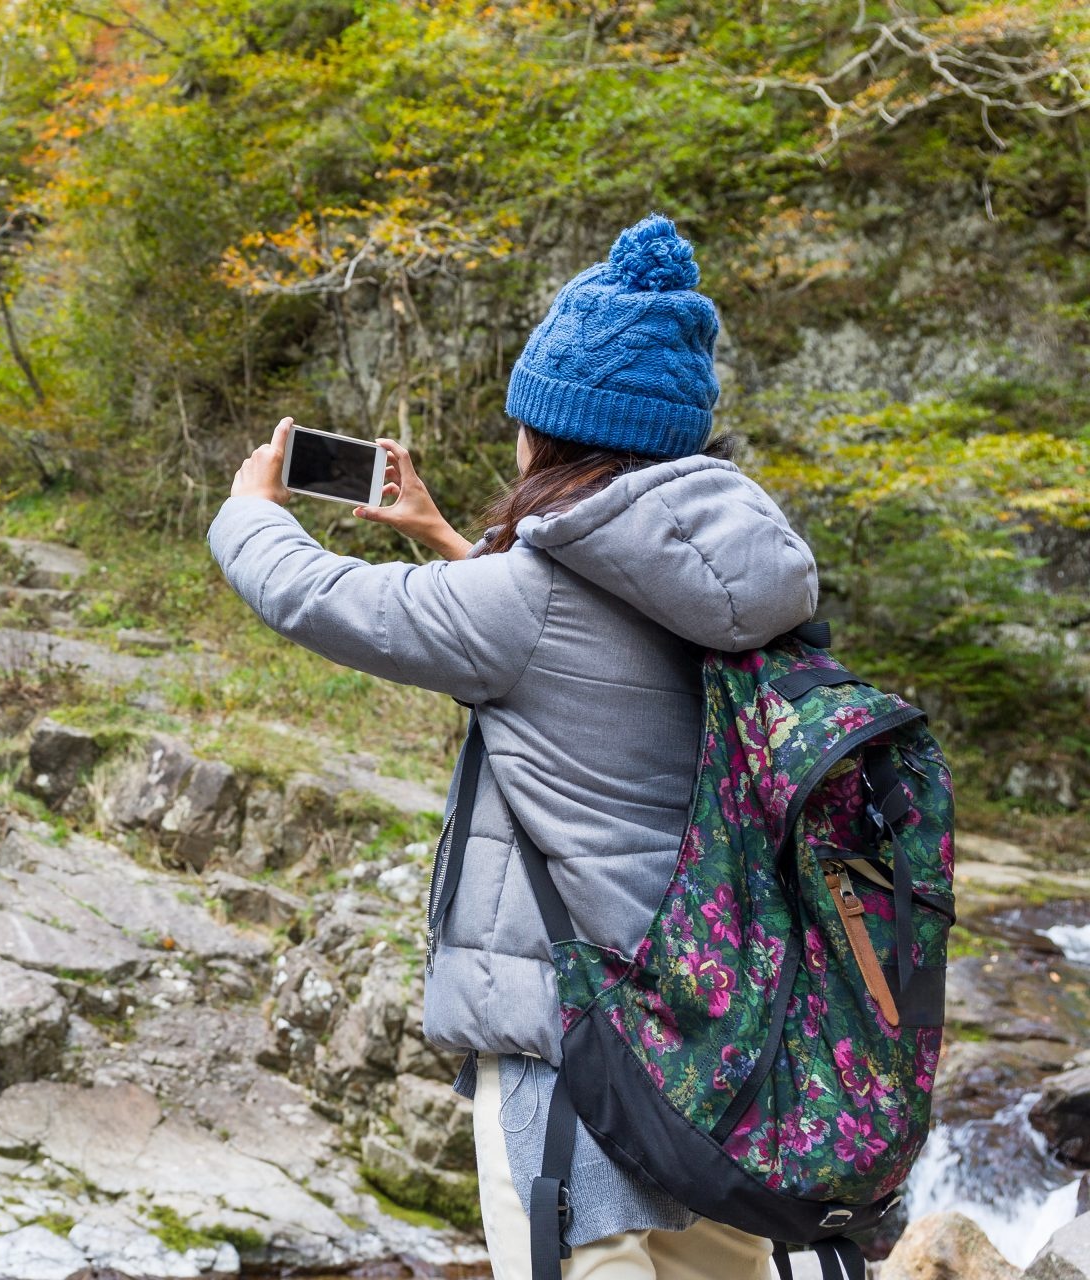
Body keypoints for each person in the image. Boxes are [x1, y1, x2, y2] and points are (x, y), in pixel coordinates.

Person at [207, 214, 818, 1280]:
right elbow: (584, 662)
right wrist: (453, 539)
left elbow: (316, 594)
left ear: (550, 433)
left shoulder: (522, 601)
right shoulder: (740, 579)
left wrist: (249, 508)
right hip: (723, 1051)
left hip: (578, 1060)